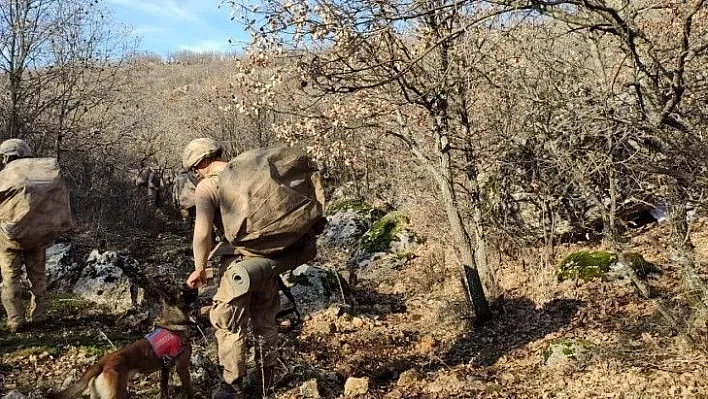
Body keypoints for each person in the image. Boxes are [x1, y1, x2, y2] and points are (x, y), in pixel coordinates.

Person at [181, 138, 280, 399]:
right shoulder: (254, 171)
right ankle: (265, 381)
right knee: (266, 321)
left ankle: (232, 385)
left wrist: (199, 267)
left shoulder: (208, 186)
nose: (196, 173)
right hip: (268, 261)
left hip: (237, 266)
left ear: (202, 162)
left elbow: (202, 234)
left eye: (195, 169)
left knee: (229, 324)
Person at [0, 139, 47, 333]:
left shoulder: (4, 176)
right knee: (38, 277)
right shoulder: (40, 178)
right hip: (36, 235)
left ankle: (16, 320)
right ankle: (39, 316)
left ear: (9, 156)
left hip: (9, 237)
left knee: (11, 277)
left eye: (3, 157)